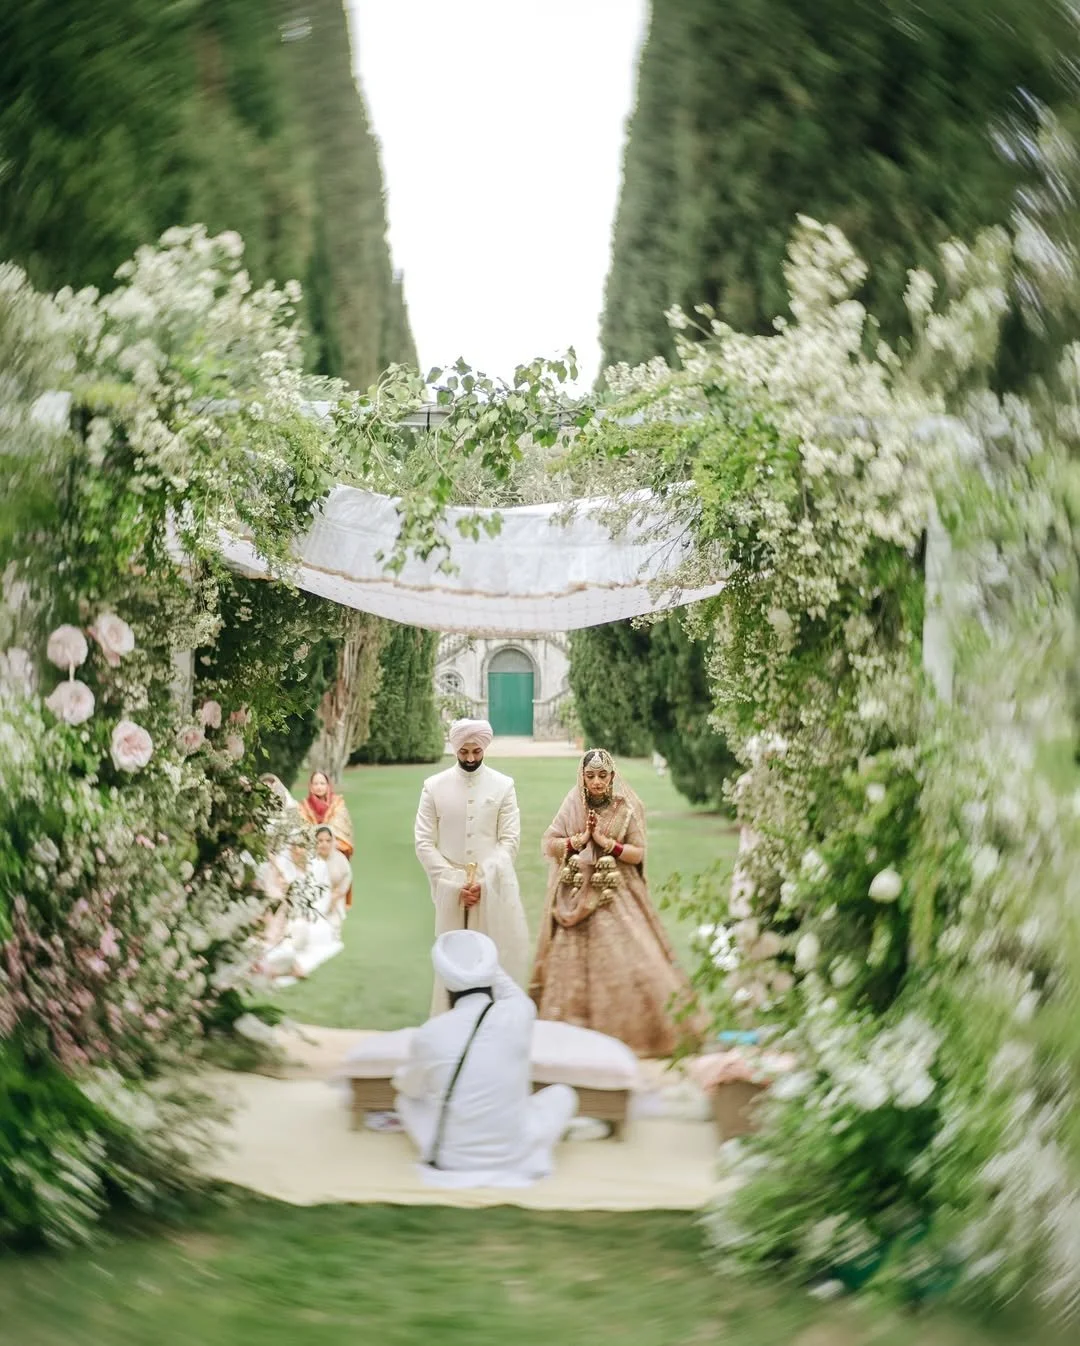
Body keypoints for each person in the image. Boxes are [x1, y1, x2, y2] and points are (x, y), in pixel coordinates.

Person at [530, 747, 706, 1057]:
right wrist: (578, 841)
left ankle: (639, 1035)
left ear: (612, 776)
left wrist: (609, 845)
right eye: (590, 776)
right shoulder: (574, 803)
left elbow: (638, 852)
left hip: (617, 889)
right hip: (577, 893)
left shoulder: (627, 807)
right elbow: (550, 843)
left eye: (602, 775)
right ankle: (574, 1043)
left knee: (636, 957)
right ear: (582, 778)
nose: (596, 782)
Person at [394, 930, 578, 1185]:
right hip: (514, 1152)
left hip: (452, 1158)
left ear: (445, 981)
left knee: (407, 1100)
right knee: (562, 1095)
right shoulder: (519, 1012)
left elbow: (411, 1090)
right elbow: (509, 990)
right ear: (491, 971)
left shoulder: (430, 1033)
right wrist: (482, 960)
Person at [414, 718, 529, 1015]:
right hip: (449, 888)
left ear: (484, 747)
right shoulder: (433, 787)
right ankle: (447, 1023)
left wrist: (483, 881)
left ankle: (491, 1023)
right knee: (451, 959)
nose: (470, 758)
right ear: (455, 747)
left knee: (490, 957)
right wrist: (454, 884)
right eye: (463, 751)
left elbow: (510, 841)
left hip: (491, 887)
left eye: (476, 751)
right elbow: (424, 842)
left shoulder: (504, 786)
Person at [261, 836, 343, 981]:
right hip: (281, 916)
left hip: (303, 913)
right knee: (286, 936)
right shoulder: (280, 867)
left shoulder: (316, 866)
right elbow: (276, 893)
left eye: (301, 846)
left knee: (315, 932)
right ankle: (285, 966)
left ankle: (287, 965)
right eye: (295, 846)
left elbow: (321, 895)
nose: (298, 850)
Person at [298, 770, 354, 908]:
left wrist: (327, 840)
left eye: (322, 783)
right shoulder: (303, 806)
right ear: (310, 786)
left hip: (333, 853)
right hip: (312, 854)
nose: (319, 786)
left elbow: (342, 827)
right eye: (315, 783)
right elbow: (302, 828)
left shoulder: (338, 803)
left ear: (328, 785)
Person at [315, 824, 350, 933]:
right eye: (320, 841)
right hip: (314, 905)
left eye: (328, 840)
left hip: (335, 904)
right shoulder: (310, 859)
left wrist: (337, 894)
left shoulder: (340, 859)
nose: (324, 844)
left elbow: (347, 877)